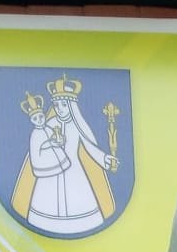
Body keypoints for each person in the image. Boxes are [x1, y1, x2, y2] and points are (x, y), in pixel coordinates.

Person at [11, 74, 119, 235]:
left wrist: (105, 159)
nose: (59, 108)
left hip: (74, 172)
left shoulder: (77, 125)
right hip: (50, 173)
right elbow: (40, 144)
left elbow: (90, 148)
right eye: (56, 104)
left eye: (63, 104)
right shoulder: (49, 124)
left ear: (71, 105)